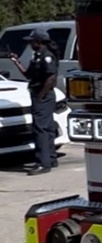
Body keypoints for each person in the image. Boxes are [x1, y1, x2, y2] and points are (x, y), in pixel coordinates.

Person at [10, 29, 59, 175]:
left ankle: (43, 163)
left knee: (40, 129)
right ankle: (50, 158)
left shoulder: (47, 56)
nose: (30, 44)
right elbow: (29, 75)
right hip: (40, 95)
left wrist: (41, 95)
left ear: (38, 41)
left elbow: (51, 79)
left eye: (32, 41)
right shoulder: (37, 56)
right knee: (47, 127)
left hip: (43, 96)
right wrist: (16, 62)